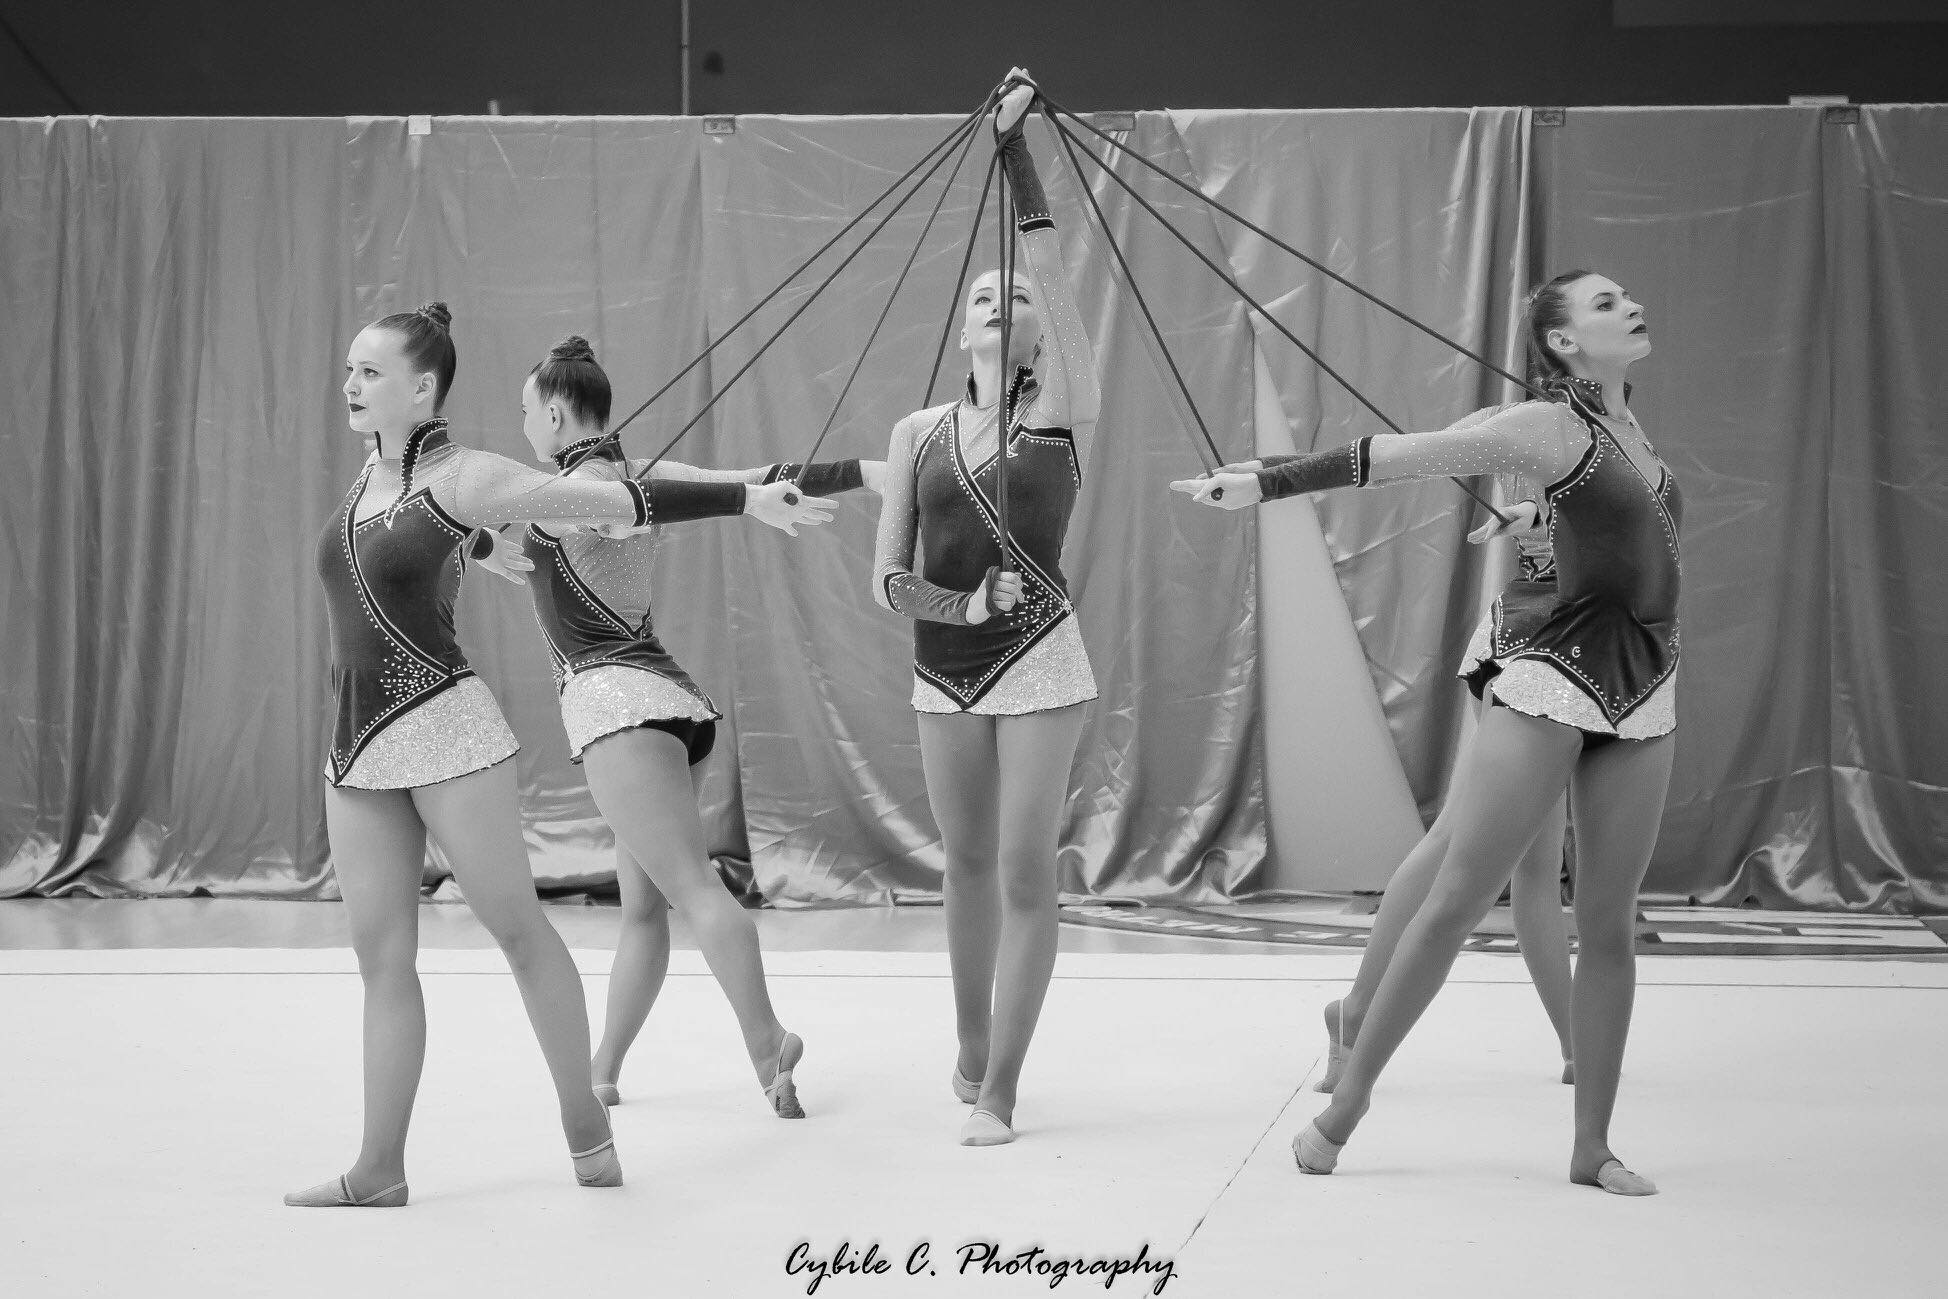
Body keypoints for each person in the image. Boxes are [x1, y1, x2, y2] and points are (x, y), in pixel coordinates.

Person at [289, 303, 830, 1208]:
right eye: (349, 368)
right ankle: (378, 1167)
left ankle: (587, 1126)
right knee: (382, 961)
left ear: (422, 389)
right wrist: (475, 545)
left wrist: (745, 495)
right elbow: (395, 560)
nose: (350, 384)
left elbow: (618, 497)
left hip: (448, 733)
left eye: (370, 372)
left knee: (520, 932)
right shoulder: (366, 487)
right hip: (356, 747)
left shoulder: (468, 475)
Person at [1176, 270, 1676, 1196]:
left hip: (1642, 687)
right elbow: (1400, 455)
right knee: (1460, 884)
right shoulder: (1541, 423)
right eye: (1604, 302)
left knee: (1601, 919)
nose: (1629, 304)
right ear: (1562, 343)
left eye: (1623, 294)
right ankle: (1349, 1095)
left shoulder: (1630, 428)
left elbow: (1599, 531)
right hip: (1542, 668)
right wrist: (1270, 481)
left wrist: (1539, 522)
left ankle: (1590, 1141)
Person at [476, 334, 876, 1119]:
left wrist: (839, 478)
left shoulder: (574, 494)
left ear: (555, 414)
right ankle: (603, 1070)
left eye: (527, 414)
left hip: (617, 705)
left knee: (691, 889)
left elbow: (719, 494)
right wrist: (862, 471)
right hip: (674, 709)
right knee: (643, 907)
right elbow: (757, 478)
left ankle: (768, 1045)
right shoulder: (642, 478)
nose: (524, 427)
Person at [869, 73, 1102, 1146]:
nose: (999, 302)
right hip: (943, 663)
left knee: (1019, 868)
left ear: (1037, 335)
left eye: (1013, 301)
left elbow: (1050, 273)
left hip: (1041, 660)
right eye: (980, 296)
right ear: (959, 330)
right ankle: (969, 1040)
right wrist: (961, 603)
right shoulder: (917, 433)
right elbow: (886, 580)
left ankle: (1004, 1084)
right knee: (960, 865)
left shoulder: (1059, 410)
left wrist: (1015, 153)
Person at [1313, 483, 1574, 1094]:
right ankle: (1355, 1012)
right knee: (1462, 840)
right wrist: (1534, 517)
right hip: (1529, 652)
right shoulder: (1547, 427)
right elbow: (1542, 510)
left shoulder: (1614, 428)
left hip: (1575, 654)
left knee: (1536, 863)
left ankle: (1574, 1041)